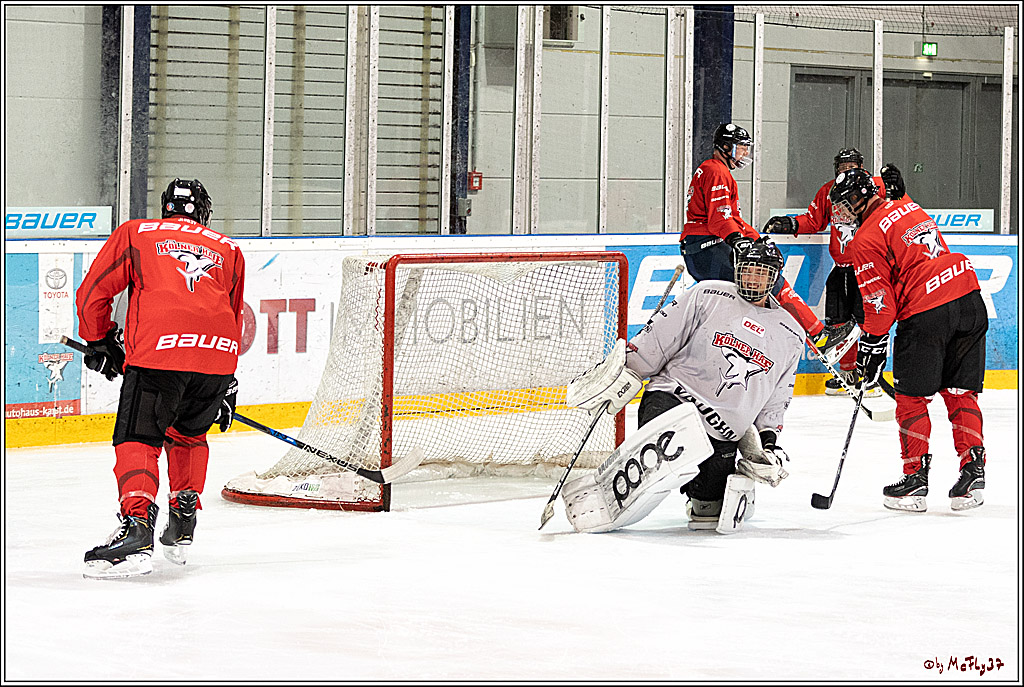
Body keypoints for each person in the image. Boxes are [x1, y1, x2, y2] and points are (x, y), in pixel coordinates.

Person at [75, 178, 246, 578]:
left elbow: (93, 294)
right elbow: (233, 315)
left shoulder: (136, 233)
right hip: (218, 358)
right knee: (189, 434)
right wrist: (227, 381)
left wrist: (100, 340)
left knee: (138, 437)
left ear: (165, 208)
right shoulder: (229, 248)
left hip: (160, 354)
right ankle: (183, 521)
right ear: (203, 211)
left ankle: (137, 529)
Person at [599, 238, 803, 528]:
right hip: (673, 400)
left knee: (708, 512)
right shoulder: (708, 293)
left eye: (761, 272)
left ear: (774, 278)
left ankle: (709, 490)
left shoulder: (790, 334)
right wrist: (630, 370)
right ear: (736, 269)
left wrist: (768, 443)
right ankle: (617, 486)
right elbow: (661, 336)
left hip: (722, 431)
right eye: (747, 270)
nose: (752, 279)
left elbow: (778, 396)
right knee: (663, 454)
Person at [829, 169, 987, 513]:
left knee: (911, 398)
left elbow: (880, 306)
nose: (840, 212)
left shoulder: (864, 239)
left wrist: (870, 349)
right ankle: (973, 472)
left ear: (857, 200)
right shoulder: (910, 207)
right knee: (961, 392)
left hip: (928, 311)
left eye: (843, 204)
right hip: (970, 296)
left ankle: (914, 481)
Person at [680, 123, 858, 367]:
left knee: (739, 303)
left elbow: (732, 218)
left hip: (702, 248)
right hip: (709, 247)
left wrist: (755, 238)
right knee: (768, 281)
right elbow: (720, 218)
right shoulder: (717, 172)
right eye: (740, 148)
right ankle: (817, 335)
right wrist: (737, 240)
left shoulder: (713, 170)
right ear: (724, 147)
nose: (744, 154)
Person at [764, 148, 905, 397]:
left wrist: (898, 191)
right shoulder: (830, 192)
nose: (847, 171)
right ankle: (848, 373)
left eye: (852, 166)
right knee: (839, 322)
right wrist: (792, 223)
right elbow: (814, 219)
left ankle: (870, 373)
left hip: (870, 267)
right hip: (841, 268)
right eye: (843, 167)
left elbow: (899, 208)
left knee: (868, 321)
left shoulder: (874, 186)